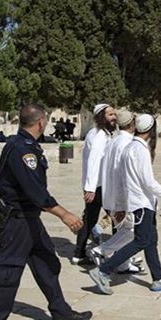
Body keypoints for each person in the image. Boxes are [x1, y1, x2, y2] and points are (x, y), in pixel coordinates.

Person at [0, 104, 92, 320]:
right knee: (8, 270)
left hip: (30, 220)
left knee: (46, 263)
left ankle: (61, 313)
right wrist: (64, 214)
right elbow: (35, 191)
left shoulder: (22, 144)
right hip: (18, 221)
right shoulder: (23, 150)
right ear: (41, 122)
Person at [88, 114, 161, 295]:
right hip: (141, 204)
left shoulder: (131, 147)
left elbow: (124, 180)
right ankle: (103, 270)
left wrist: (121, 204)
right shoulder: (140, 150)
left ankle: (159, 279)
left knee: (151, 241)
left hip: (142, 203)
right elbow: (149, 183)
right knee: (141, 241)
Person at [89, 109, 143, 273]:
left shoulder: (114, 140)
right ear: (132, 123)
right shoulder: (126, 143)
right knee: (132, 231)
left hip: (110, 193)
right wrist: (124, 201)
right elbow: (123, 174)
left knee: (123, 229)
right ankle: (101, 251)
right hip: (122, 197)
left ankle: (123, 264)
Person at [72, 103, 116, 265]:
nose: (114, 117)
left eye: (114, 114)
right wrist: (90, 188)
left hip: (97, 185)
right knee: (118, 218)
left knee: (89, 220)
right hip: (100, 186)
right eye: (110, 115)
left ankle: (79, 254)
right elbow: (93, 161)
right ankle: (118, 255)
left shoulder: (99, 133)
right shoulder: (99, 136)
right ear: (101, 117)